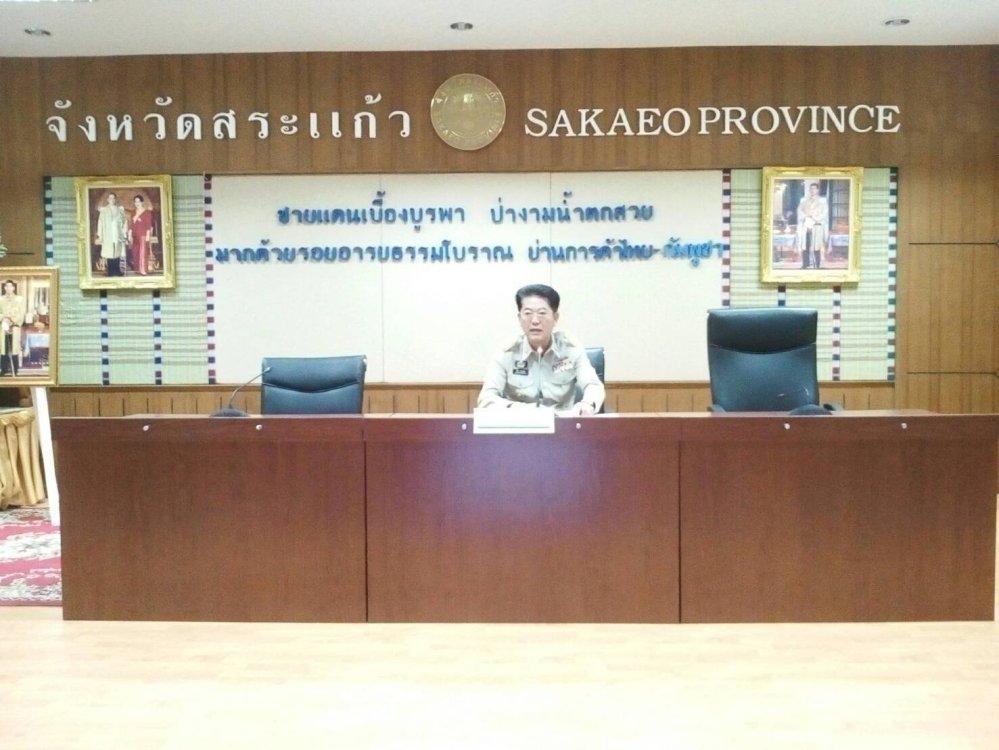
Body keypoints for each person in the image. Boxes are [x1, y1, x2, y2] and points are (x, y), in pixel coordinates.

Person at [477, 283, 605, 414]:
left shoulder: (571, 350)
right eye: (528, 313)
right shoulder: (507, 353)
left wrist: (587, 405)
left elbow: (593, 385)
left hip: (563, 423)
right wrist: (523, 410)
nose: (535, 321)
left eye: (542, 313)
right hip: (520, 422)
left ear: (555, 318)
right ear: (519, 318)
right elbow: (486, 399)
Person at [796, 181, 829, 269]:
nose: (812, 190)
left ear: (817, 190)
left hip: (816, 226)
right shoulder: (804, 201)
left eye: (814, 188)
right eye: (811, 189)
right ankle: (805, 263)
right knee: (805, 246)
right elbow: (799, 210)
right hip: (806, 226)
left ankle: (817, 265)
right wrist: (806, 216)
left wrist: (814, 217)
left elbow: (824, 214)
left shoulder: (822, 202)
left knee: (816, 246)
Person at [95, 191, 129, 276]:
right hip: (108, 234)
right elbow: (100, 223)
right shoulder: (104, 211)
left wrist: (124, 233)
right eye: (110, 198)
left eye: (113, 198)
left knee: (117, 252)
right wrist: (100, 234)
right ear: (108, 199)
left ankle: (117, 271)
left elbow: (124, 221)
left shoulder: (119, 210)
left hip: (117, 234)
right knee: (110, 252)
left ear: (115, 199)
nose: (112, 199)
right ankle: (110, 271)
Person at [0, 279, 26, 376]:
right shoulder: (0, 299)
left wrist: (12, 320)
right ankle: (4, 369)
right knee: (4, 348)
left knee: (14, 348)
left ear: (14, 288)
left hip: (15, 327)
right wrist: (4, 318)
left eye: (10, 286)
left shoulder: (20, 299)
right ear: (4, 288)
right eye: (6, 286)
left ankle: (15, 369)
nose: (8, 288)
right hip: (3, 326)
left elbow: (21, 313)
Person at [128, 194, 156, 275]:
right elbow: (131, 224)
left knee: (143, 253)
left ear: (142, 202)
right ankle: (137, 269)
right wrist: (129, 234)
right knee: (135, 252)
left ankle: (143, 269)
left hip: (143, 235)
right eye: (135, 201)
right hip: (135, 235)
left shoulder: (147, 212)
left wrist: (148, 235)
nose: (137, 203)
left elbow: (148, 225)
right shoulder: (133, 212)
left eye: (138, 201)